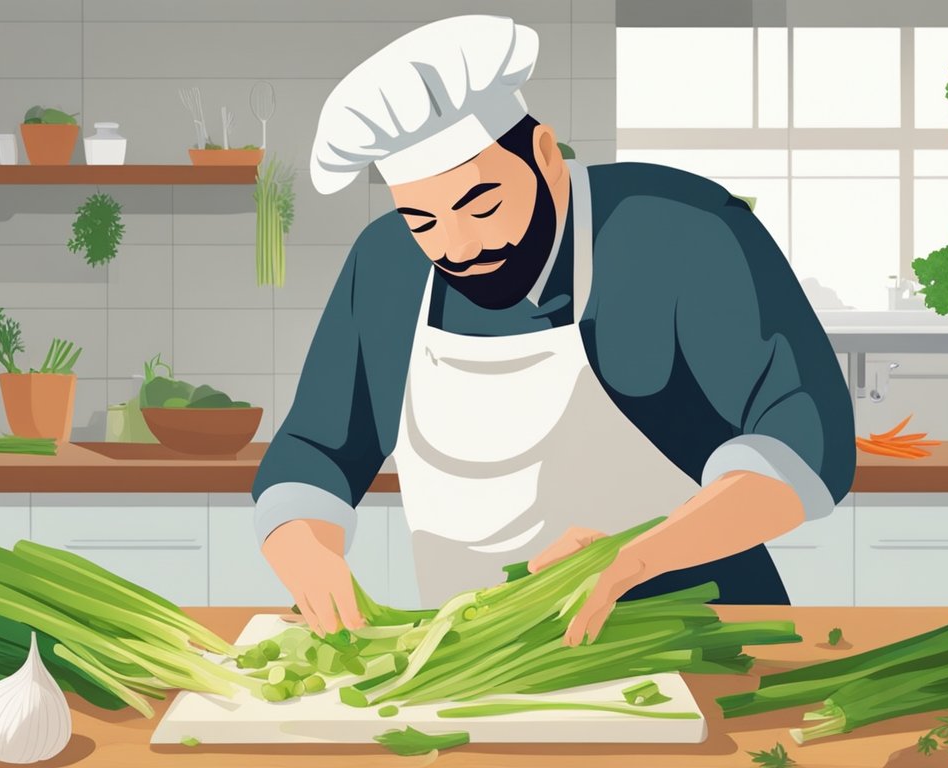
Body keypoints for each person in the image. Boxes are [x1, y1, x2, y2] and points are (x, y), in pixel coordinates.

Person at [253, 15, 854, 644]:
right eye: (421, 219)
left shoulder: (673, 229)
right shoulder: (386, 267)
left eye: (481, 204)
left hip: (697, 636)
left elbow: (806, 437)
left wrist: (635, 558)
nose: (457, 247)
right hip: (480, 658)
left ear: (545, 155)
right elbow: (317, 449)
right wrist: (305, 550)